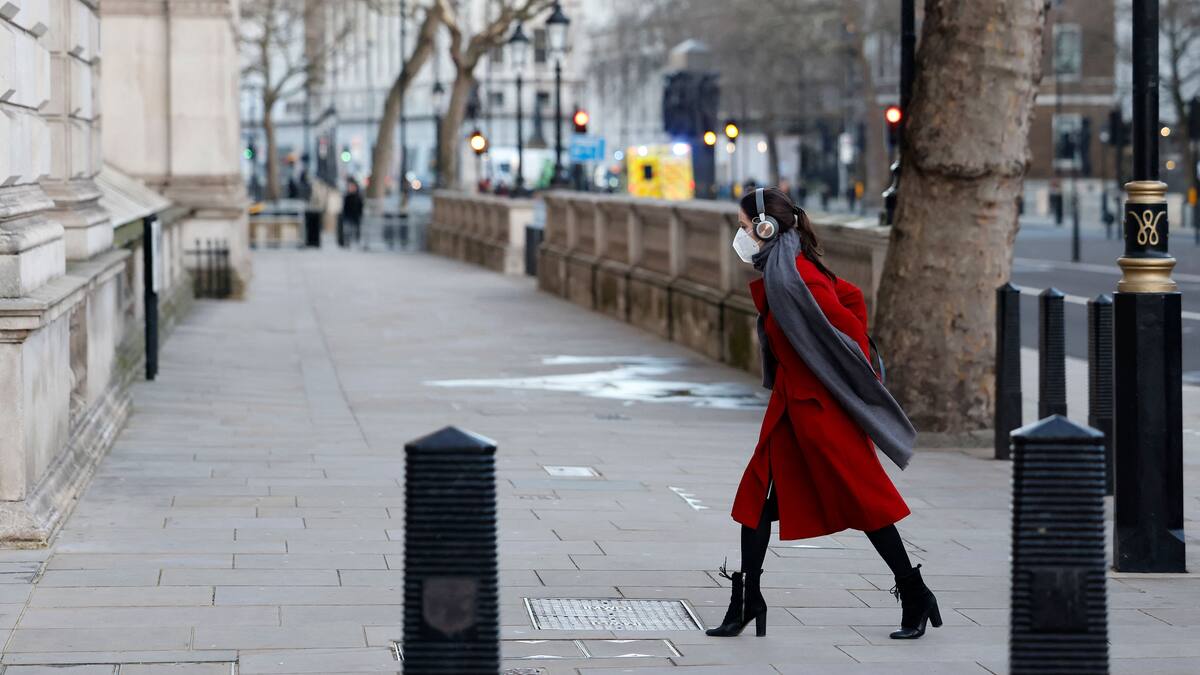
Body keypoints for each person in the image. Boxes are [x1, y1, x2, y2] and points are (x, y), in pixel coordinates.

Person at [707, 186, 939, 640]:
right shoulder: (784, 268)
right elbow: (851, 294)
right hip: (791, 408)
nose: (741, 236)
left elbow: (849, 323)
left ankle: (915, 592)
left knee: (864, 502)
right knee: (754, 500)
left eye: (743, 227)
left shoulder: (795, 276)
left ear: (766, 227)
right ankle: (748, 599)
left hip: (820, 410)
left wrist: (832, 370)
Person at [342, 179, 364, 246]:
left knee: (356, 229)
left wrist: (360, 214)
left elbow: (361, 207)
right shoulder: (347, 197)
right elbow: (345, 207)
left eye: (353, 187)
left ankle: (356, 241)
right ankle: (347, 242)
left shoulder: (359, 197)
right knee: (348, 229)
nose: (351, 188)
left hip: (356, 216)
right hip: (348, 216)